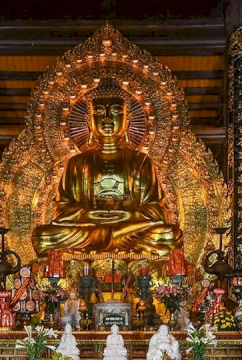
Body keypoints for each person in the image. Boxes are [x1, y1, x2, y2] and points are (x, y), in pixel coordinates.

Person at [32, 77, 182, 256]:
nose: (108, 118)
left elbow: (157, 211)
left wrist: (129, 216)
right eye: (100, 112)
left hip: (129, 229)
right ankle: (109, 244)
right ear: (89, 121)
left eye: (116, 111)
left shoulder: (141, 161)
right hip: (89, 230)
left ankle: (104, 245)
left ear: (127, 121)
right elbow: (62, 211)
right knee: (43, 236)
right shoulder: (77, 163)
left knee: (169, 235)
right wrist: (89, 215)